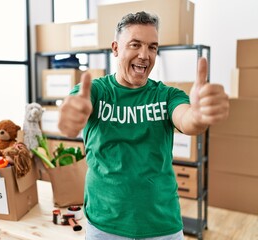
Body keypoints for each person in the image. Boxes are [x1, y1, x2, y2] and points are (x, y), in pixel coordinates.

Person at [58, 11, 229, 240]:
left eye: (152, 47)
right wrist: (71, 117)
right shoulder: (97, 92)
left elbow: (188, 120)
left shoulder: (167, 95)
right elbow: (76, 109)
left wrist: (199, 115)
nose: (144, 55)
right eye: (135, 45)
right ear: (116, 48)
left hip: (162, 227)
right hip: (104, 226)